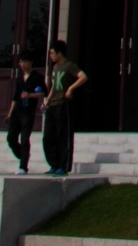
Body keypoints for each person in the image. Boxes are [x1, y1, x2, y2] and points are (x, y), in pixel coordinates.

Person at [44, 40, 87, 176]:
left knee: (64, 136)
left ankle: (64, 166)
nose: (50, 56)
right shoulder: (55, 68)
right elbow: (54, 86)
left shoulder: (69, 66)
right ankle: (54, 164)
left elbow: (83, 77)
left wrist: (71, 89)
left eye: (52, 53)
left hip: (64, 104)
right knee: (48, 137)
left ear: (60, 53)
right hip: (53, 105)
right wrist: (48, 100)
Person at [6, 55, 46, 174]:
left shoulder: (37, 77)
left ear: (31, 62)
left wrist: (30, 95)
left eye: (25, 62)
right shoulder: (20, 78)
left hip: (28, 112)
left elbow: (44, 93)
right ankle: (23, 155)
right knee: (11, 138)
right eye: (21, 62)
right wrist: (9, 113)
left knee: (24, 139)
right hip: (17, 112)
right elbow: (15, 97)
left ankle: (23, 166)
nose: (22, 65)